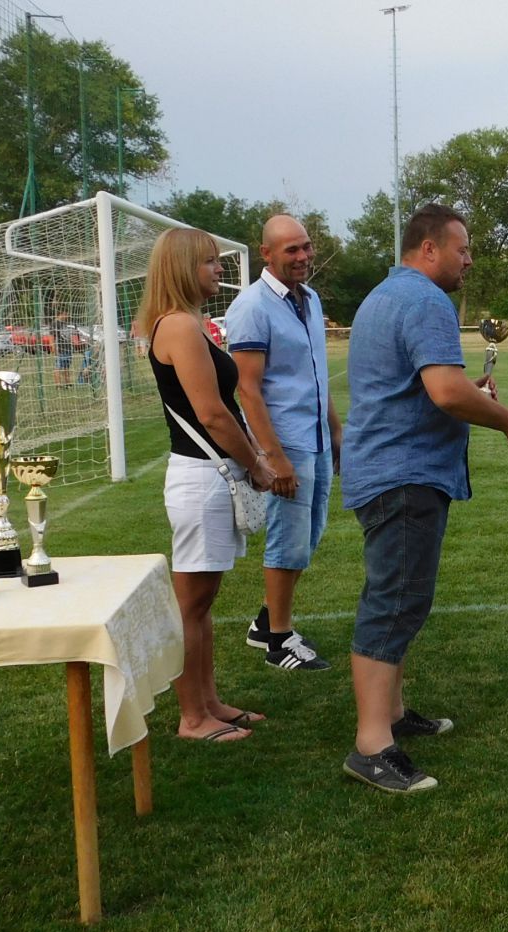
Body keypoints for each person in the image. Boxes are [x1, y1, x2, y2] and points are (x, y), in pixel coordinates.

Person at [339, 203, 508, 793]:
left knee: (399, 597)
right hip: (403, 474)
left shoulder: (383, 296)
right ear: (428, 249)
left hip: (387, 469)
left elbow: (420, 386)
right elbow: (447, 392)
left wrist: (470, 390)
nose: (469, 259)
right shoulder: (427, 300)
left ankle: (393, 713)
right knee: (395, 601)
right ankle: (372, 746)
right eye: (462, 248)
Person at [135, 227, 278, 743]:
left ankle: (209, 702)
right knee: (191, 606)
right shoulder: (177, 326)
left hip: (207, 475)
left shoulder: (185, 323)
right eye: (209, 262)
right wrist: (257, 464)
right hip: (202, 478)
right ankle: (192, 718)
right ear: (182, 267)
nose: (219, 269)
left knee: (201, 604)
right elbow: (212, 414)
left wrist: (253, 455)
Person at [225, 215, 341, 672]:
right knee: (288, 538)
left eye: (306, 246)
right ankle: (279, 640)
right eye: (292, 249)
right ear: (266, 253)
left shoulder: (309, 298)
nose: (303, 256)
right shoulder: (252, 306)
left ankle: (266, 621)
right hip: (285, 442)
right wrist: (273, 457)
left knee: (308, 536)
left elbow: (316, 374)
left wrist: (335, 429)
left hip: (316, 437)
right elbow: (248, 389)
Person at [52, 311, 74, 385]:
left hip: (68, 348)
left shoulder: (65, 323)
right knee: (58, 367)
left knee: (66, 367)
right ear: (61, 314)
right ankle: (58, 384)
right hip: (60, 349)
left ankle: (68, 383)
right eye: (66, 314)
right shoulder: (55, 323)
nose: (67, 316)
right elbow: (52, 336)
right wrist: (53, 347)